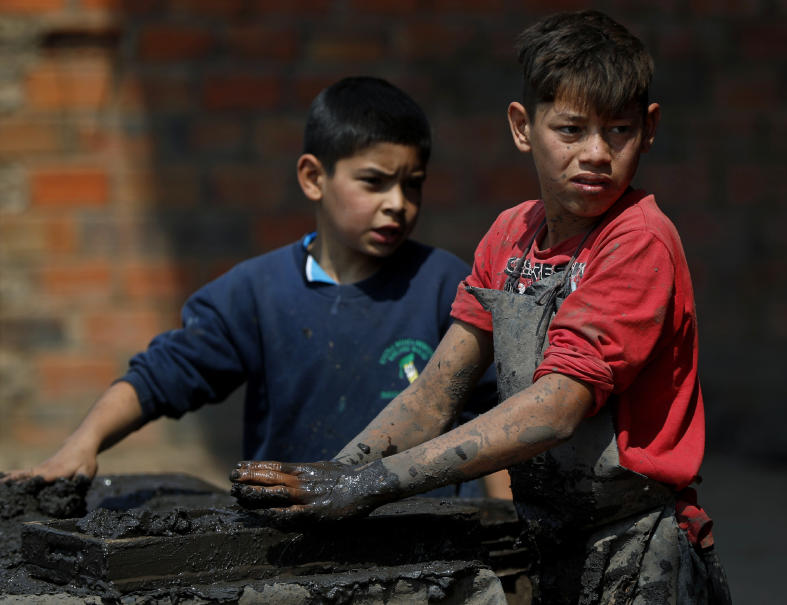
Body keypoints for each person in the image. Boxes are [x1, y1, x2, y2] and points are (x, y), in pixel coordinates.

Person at [231, 11, 731, 604]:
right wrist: (336, 475)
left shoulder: (637, 241)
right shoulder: (509, 235)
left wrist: (374, 484)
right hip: (549, 533)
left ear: (648, 130)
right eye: (570, 130)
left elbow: (556, 409)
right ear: (523, 127)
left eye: (618, 131)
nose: (596, 152)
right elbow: (436, 391)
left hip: (639, 547)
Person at [13, 76, 502, 499]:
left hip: (431, 539)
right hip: (292, 541)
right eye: (373, 182)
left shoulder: (445, 284)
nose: (397, 203)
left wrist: (505, 522)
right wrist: (83, 443)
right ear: (313, 178)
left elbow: (495, 415)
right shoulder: (255, 293)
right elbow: (162, 375)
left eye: (412, 184)